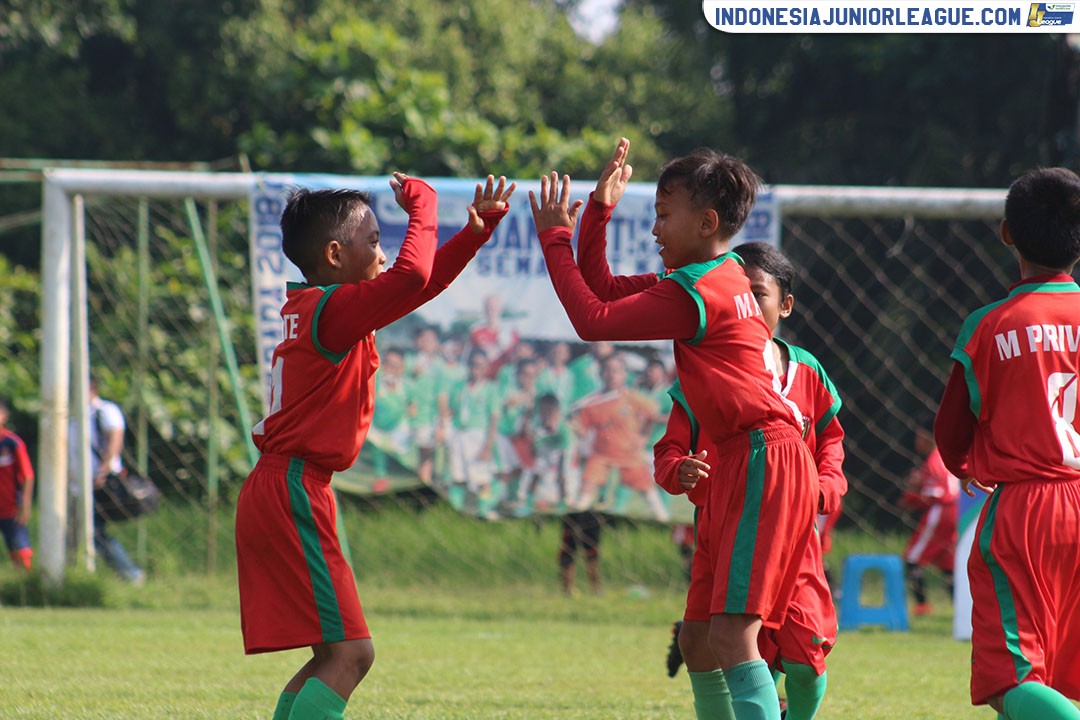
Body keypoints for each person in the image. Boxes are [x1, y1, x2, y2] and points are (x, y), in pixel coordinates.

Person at [531, 137, 818, 720]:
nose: (656, 229)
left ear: (706, 220)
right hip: (740, 461)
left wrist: (556, 236)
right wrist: (598, 213)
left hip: (763, 456)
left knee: (735, 636)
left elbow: (591, 319)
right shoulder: (723, 272)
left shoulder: (701, 292)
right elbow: (605, 290)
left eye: (664, 216)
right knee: (696, 640)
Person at [236, 173, 514, 720]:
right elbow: (413, 274)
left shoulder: (324, 307)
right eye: (375, 241)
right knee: (352, 654)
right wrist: (425, 207)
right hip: (293, 488)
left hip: (284, 485)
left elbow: (421, 284)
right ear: (336, 254)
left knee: (332, 654)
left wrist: (474, 235)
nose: (384, 252)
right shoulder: (334, 312)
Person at [656, 241, 846, 720]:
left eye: (756, 294)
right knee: (704, 640)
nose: (744, 304)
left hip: (791, 530)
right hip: (722, 524)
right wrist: (679, 470)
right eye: (737, 293)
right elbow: (669, 448)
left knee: (805, 658)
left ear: (785, 304)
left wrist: (823, 488)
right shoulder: (707, 371)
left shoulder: (808, 371)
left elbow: (831, 446)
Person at [934, 166, 1080, 720]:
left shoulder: (990, 325)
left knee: (1010, 678)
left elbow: (951, 430)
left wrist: (966, 464)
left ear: (1007, 233)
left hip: (1028, 508)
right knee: (1054, 680)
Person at [569, 353, 669, 520]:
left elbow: (651, 414)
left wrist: (642, 437)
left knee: (648, 492)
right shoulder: (591, 402)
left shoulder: (632, 396)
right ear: (601, 373)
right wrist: (574, 426)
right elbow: (583, 430)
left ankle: (662, 519)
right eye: (607, 370)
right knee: (586, 489)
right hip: (601, 453)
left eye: (616, 370)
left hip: (628, 452)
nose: (611, 374)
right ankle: (577, 516)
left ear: (624, 374)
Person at [77, 377, 145, 584]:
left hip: (100, 482)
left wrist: (103, 471)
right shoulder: (74, 415)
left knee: (94, 531)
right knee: (79, 531)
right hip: (77, 485)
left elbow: (115, 440)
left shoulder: (104, 411)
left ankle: (130, 574)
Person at [900, 424, 959, 616]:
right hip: (955, 511)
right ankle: (960, 607)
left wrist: (911, 497)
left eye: (919, 437)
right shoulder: (946, 456)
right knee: (947, 561)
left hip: (941, 510)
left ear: (928, 438)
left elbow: (936, 493)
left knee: (912, 557)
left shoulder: (934, 461)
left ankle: (922, 605)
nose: (917, 442)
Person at [0, 397, 34, 571]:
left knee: (19, 549)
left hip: (11, 507)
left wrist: (25, 506)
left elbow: (28, 475)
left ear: (4, 416)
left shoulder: (12, 443)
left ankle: (27, 585)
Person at [559, 509, 603, 595]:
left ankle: (596, 590)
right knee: (567, 553)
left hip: (591, 514)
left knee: (592, 554)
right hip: (572, 513)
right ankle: (567, 591)